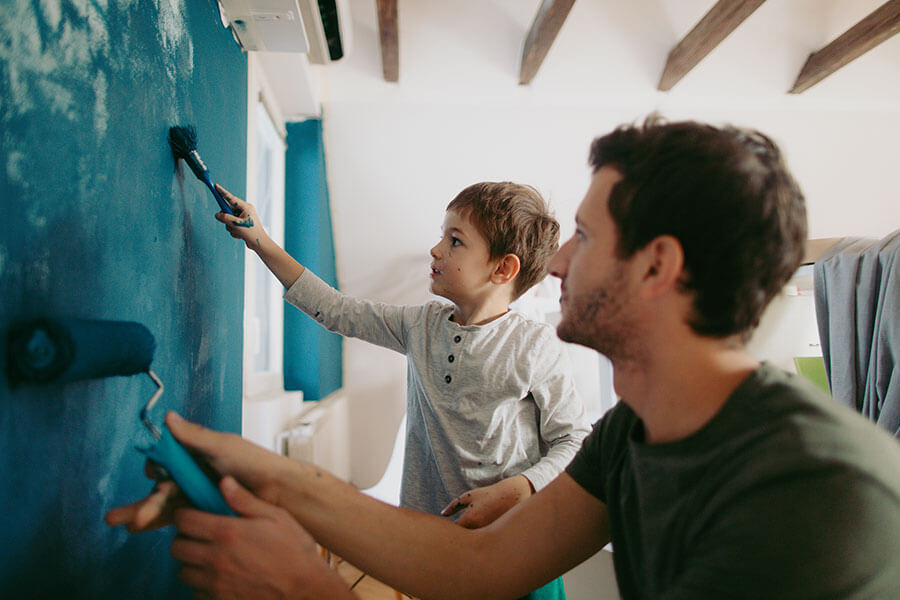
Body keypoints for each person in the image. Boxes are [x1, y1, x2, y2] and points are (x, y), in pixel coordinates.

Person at [107, 116, 900, 599]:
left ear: (656, 267)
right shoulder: (634, 437)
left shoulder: (818, 495)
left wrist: (304, 592)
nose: (557, 265)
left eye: (583, 240)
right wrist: (259, 475)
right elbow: (481, 568)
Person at [222, 179, 589, 597]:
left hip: (517, 544)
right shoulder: (421, 326)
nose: (436, 250)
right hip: (433, 543)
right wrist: (261, 242)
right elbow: (337, 310)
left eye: (455, 241)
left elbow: (573, 439)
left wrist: (521, 487)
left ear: (502, 269)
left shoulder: (535, 345)